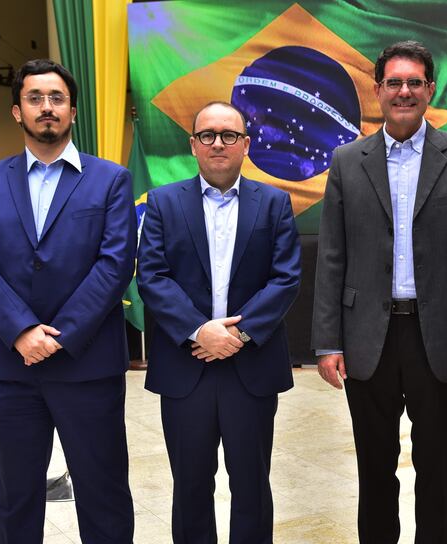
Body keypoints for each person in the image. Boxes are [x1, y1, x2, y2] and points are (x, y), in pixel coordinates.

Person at [311, 40, 447, 542]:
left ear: (430, 90)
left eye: (414, 82)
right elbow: (332, 257)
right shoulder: (347, 161)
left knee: (436, 467)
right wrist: (328, 342)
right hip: (366, 337)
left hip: (437, 335)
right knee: (374, 468)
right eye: (394, 82)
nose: (404, 92)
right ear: (377, 90)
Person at [0, 59, 136, 543]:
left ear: (73, 112)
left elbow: (115, 264)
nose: (46, 107)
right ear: (17, 111)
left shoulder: (111, 180)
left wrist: (59, 336)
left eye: (57, 98)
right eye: (35, 98)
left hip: (87, 364)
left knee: (103, 494)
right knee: (16, 497)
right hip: (11, 366)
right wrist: (21, 330)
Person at [136, 101, 301, 543]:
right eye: (207, 135)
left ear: (245, 145)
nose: (218, 144)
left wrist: (238, 334)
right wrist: (200, 330)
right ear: (193, 145)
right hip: (185, 367)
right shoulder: (164, 202)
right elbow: (152, 276)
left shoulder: (274, 203)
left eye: (229, 135)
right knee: (190, 487)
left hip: (251, 368)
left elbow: (285, 278)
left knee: (252, 486)